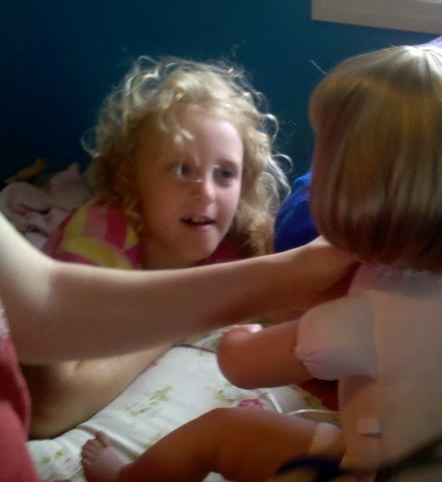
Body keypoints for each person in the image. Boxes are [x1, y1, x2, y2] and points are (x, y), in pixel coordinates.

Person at [82, 45, 442, 482]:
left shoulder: (368, 317)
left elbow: (240, 366)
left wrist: (242, 333)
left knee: (220, 432)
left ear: (344, 185)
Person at [0, 209, 370, 482]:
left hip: (361, 466)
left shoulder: (362, 309)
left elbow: (241, 363)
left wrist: (249, 328)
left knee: (224, 430)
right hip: (401, 473)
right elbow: (44, 309)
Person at [24, 55, 290, 438]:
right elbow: (49, 407)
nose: (207, 192)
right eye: (182, 169)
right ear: (131, 179)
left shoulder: (236, 237)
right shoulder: (102, 238)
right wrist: (187, 313)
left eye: (225, 173)